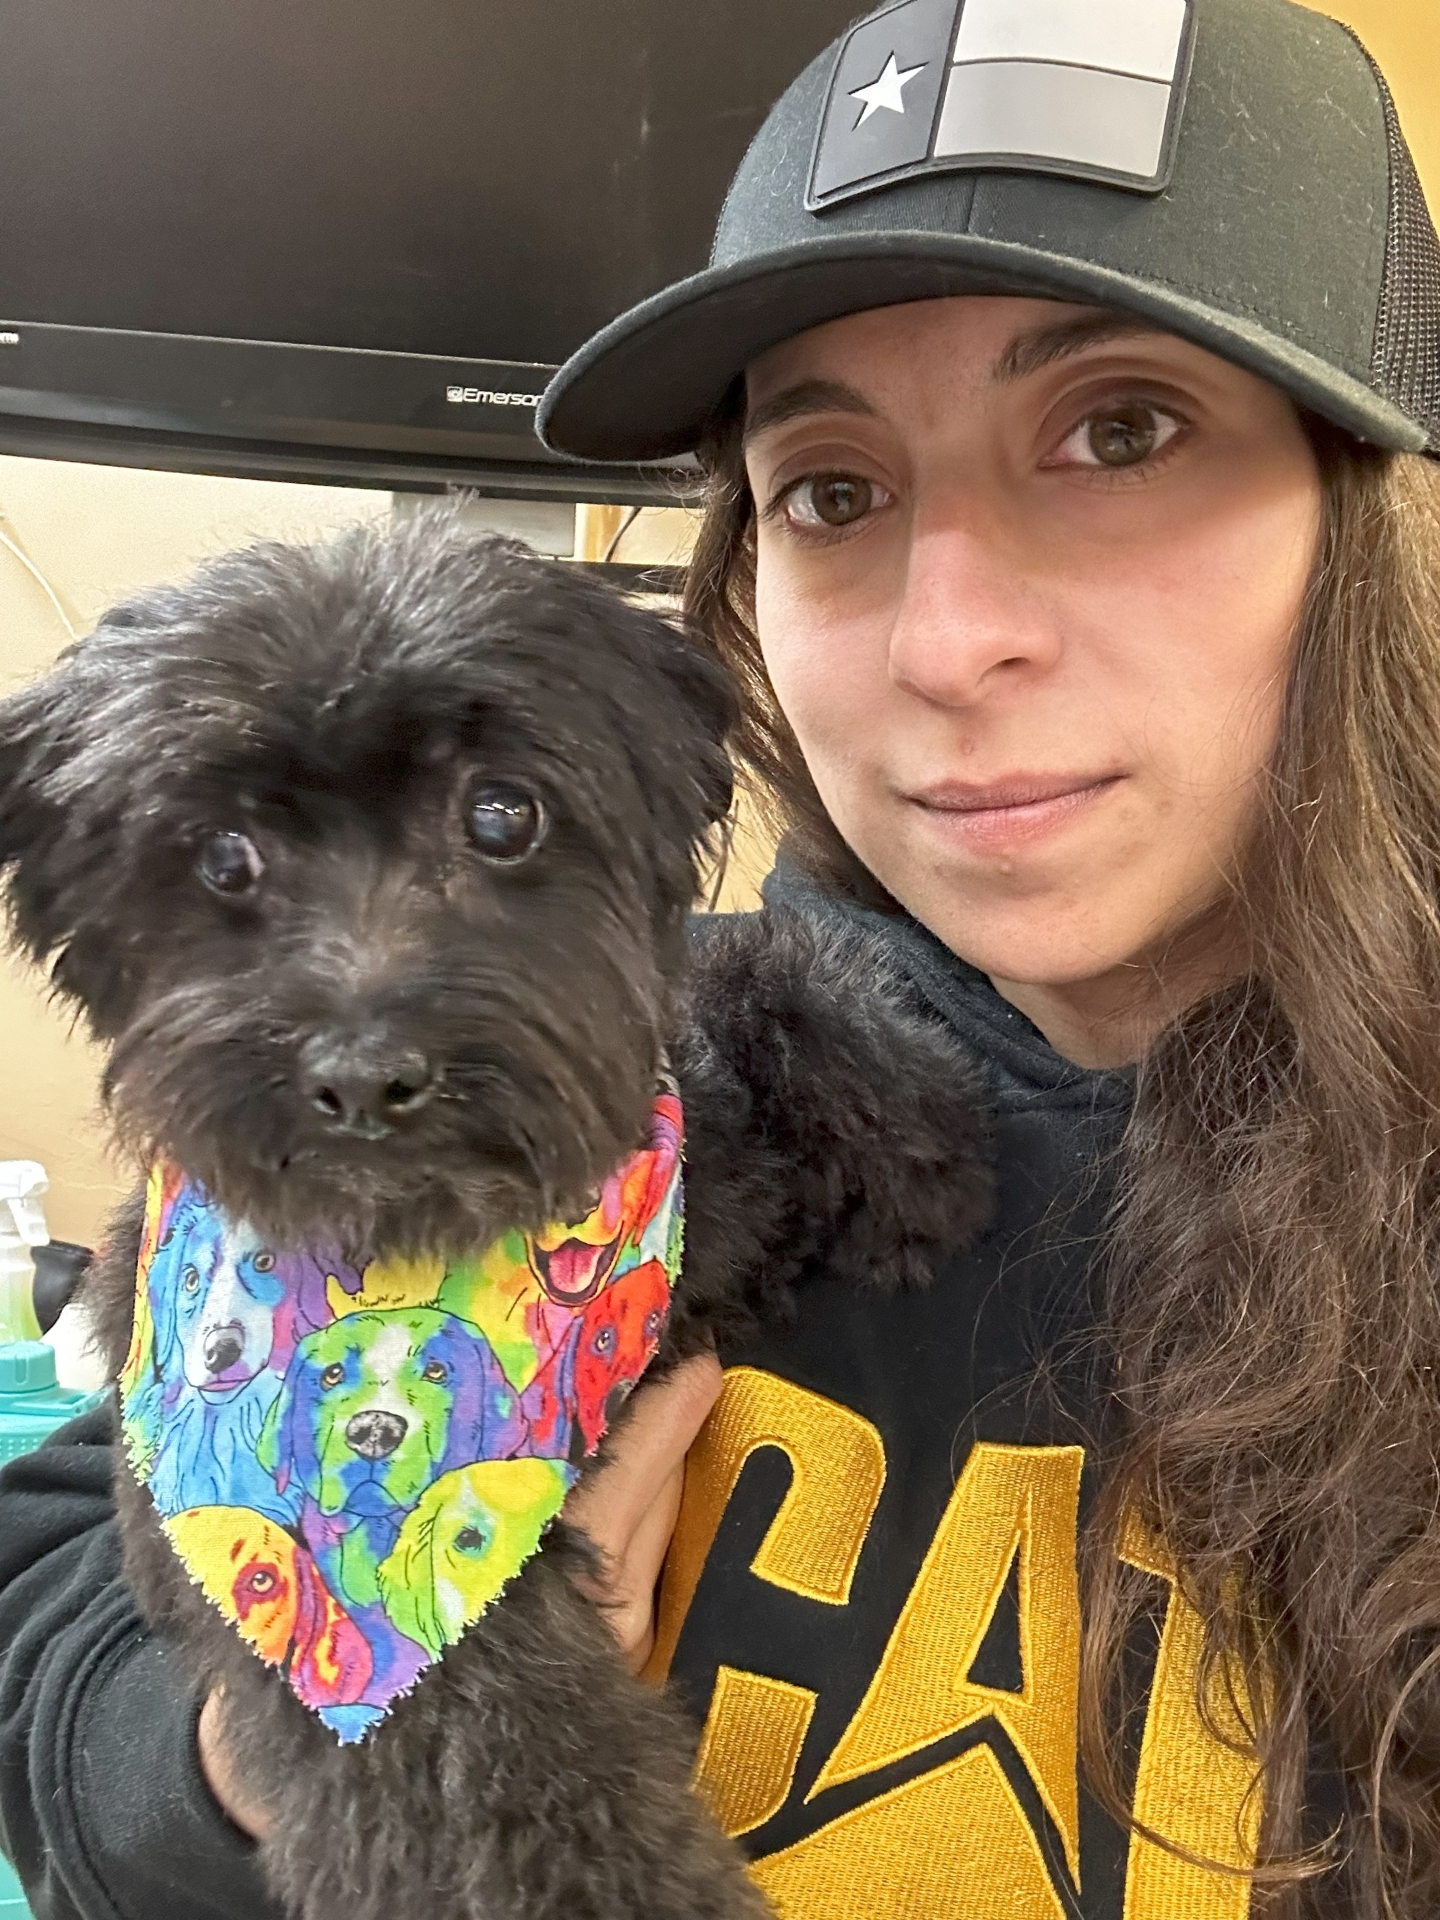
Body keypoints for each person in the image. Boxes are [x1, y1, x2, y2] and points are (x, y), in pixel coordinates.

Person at [2, 0, 1437, 1916]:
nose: (948, 638)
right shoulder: (647, 1089)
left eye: (1120, 432)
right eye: (832, 489)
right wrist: (267, 1743)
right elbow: (50, 1600)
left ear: (1376, 517)